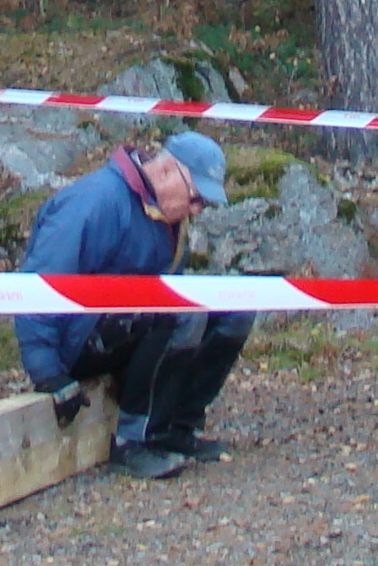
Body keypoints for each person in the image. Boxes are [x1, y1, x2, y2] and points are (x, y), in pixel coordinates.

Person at [12, 132, 240, 480]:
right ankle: (132, 440)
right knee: (174, 311)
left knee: (236, 310)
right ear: (166, 171)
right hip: (79, 340)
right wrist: (47, 373)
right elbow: (37, 286)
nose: (196, 210)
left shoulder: (165, 216)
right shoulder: (95, 202)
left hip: (129, 329)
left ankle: (178, 427)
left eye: (203, 205)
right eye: (196, 199)